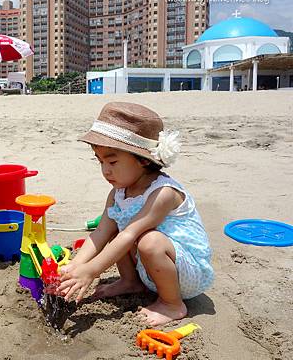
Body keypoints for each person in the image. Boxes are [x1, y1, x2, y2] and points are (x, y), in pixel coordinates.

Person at [57, 102, 213, 326]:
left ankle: (172, 304)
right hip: (149, 267)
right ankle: (131, 282)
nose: (105, 170)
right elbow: (101, 232)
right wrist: (76, 265)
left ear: (142, 160)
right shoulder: (118, 193)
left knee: (148, 240)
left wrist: (91, 271)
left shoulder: (163, 193)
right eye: (100, 161)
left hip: (185, 272)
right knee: (114, 227)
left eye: (112, 161)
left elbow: (131, 234)